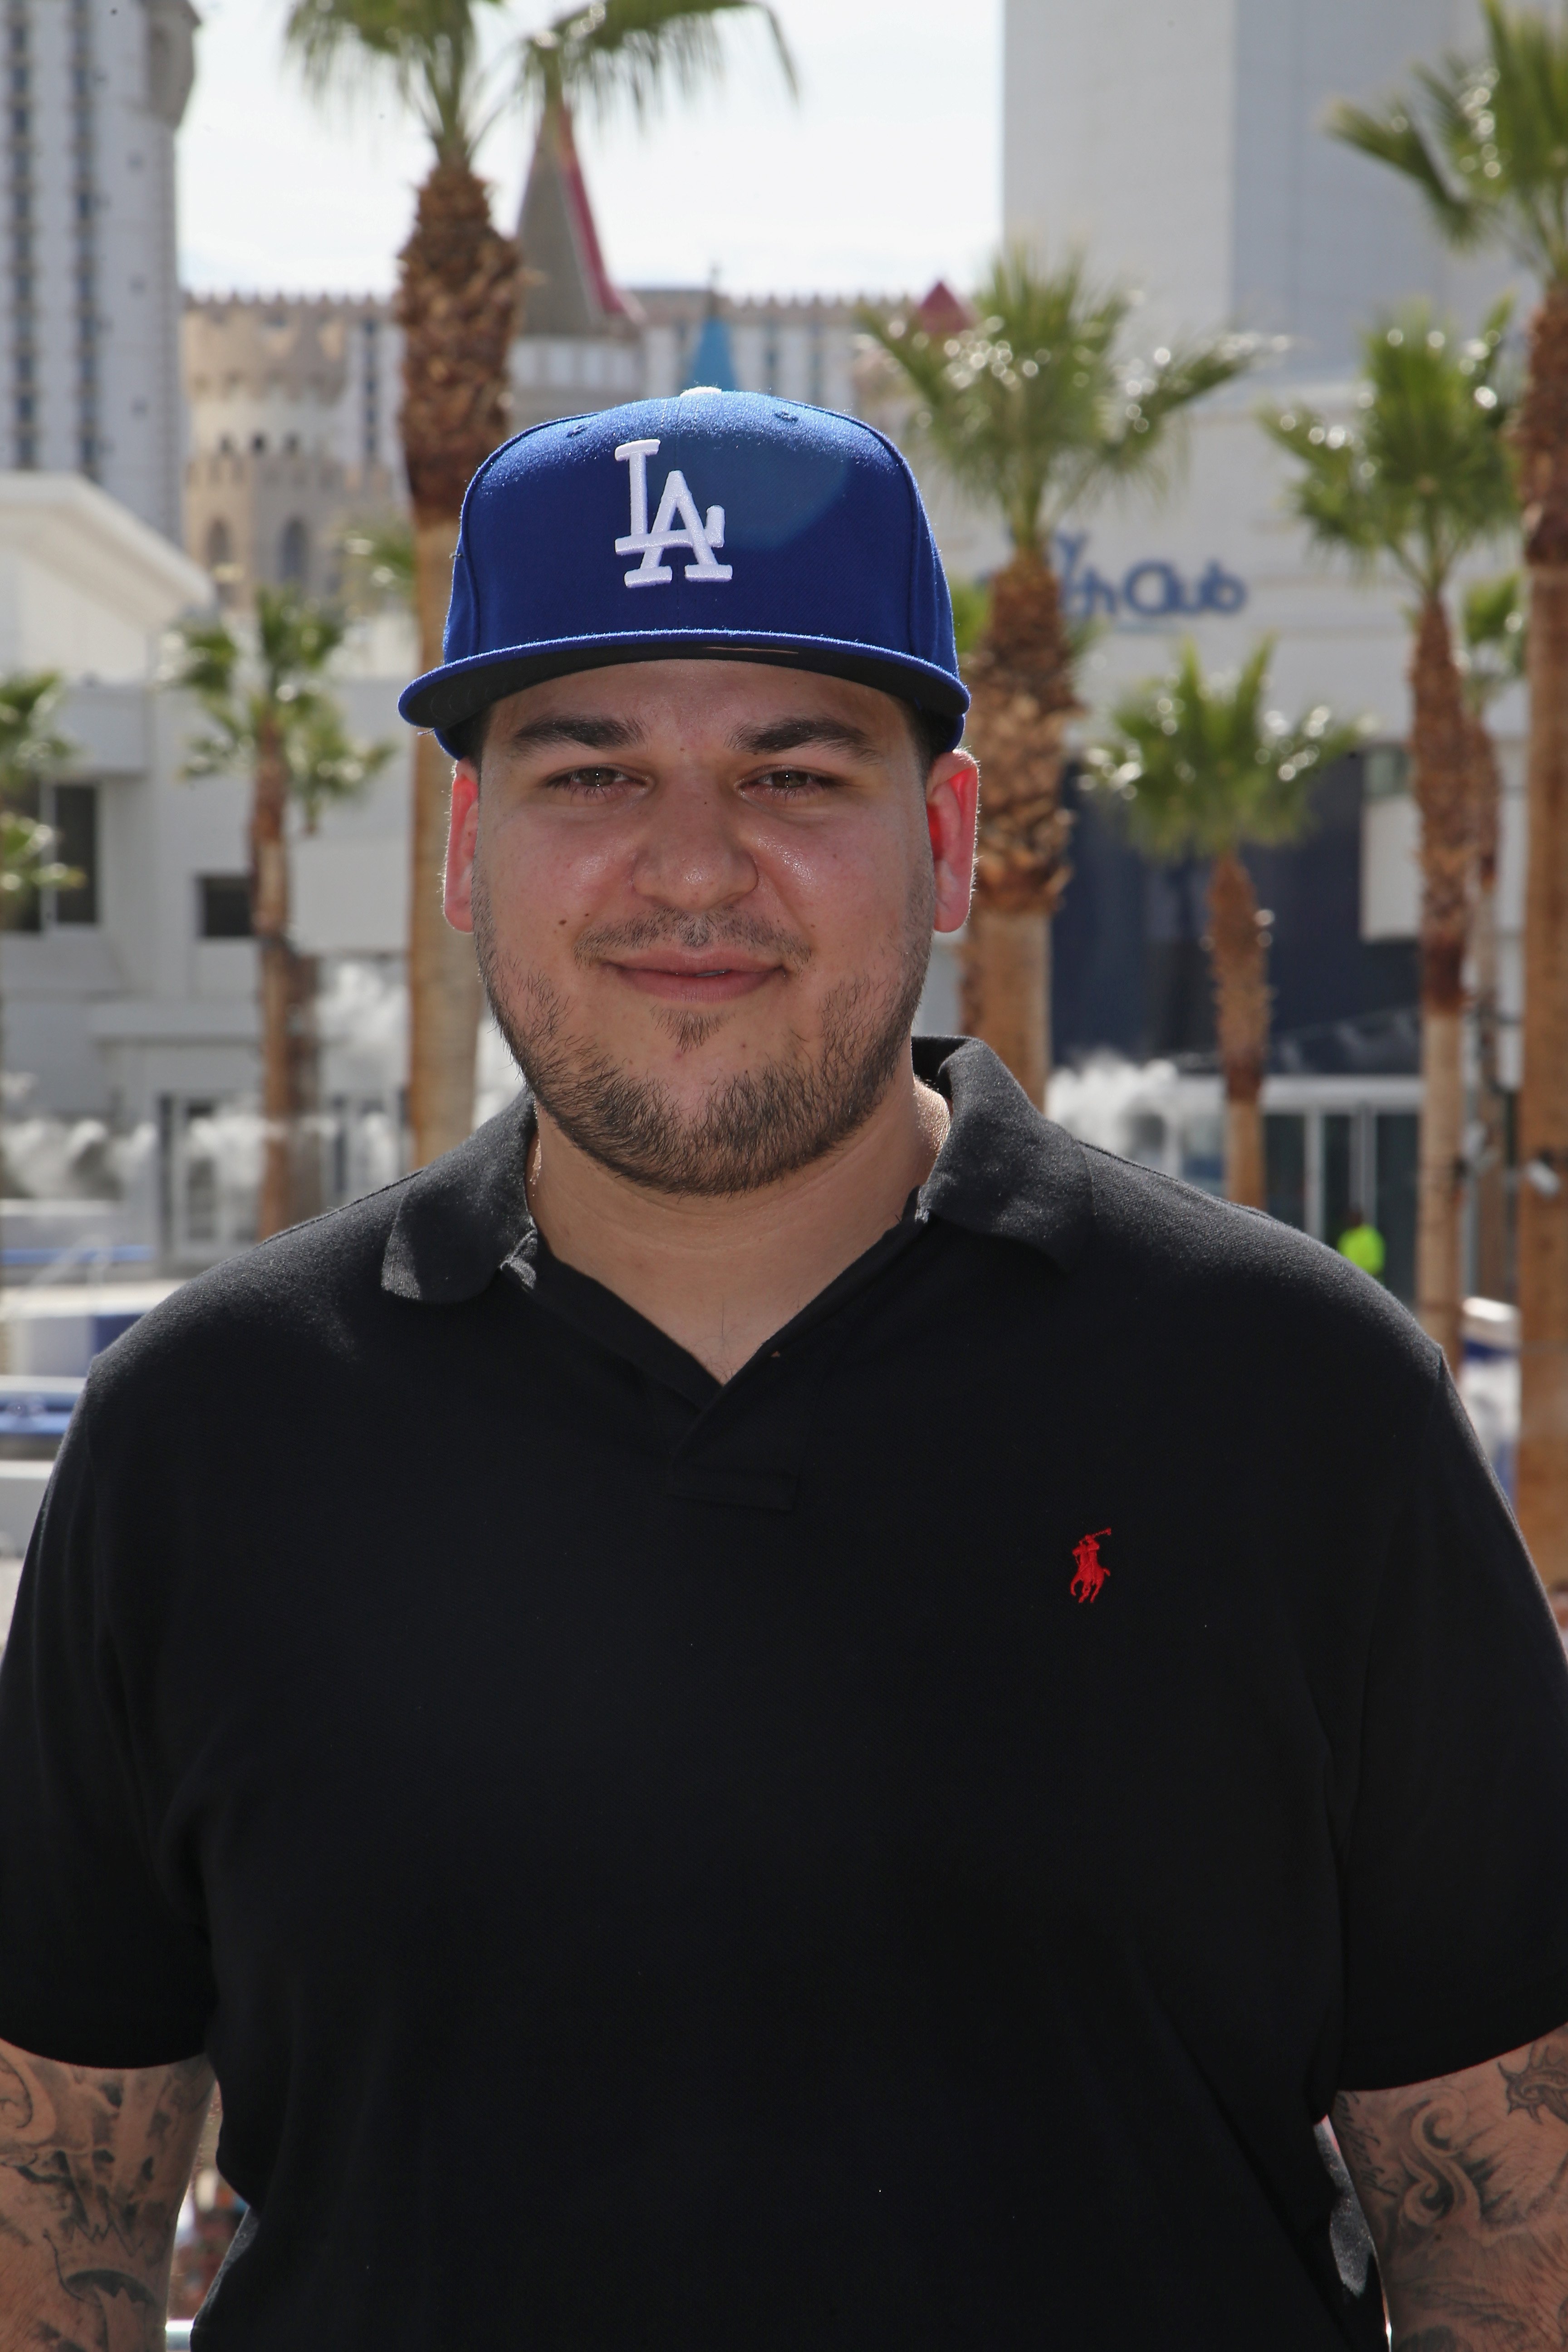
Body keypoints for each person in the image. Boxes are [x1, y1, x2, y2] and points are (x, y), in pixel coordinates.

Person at [0, 393, 1565, 2352]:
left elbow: (1505, 2228)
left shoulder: (1293, 1400)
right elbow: (53, 2222)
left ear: (939, 829)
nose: (689, 868)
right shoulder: (209, 1434)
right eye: (589, 773)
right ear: (467, 839)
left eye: (790, 773)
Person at [1337, 1206, 1387, 1280]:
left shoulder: (1371, 1237)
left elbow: (1376, 1267)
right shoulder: (1345, 1238)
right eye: (1351, 1217)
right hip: (1349, 1282)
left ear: (1361, 1218)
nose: (1352, 1220)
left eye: (1355, 1217)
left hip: (1369, 1282)